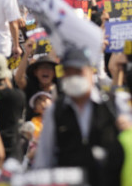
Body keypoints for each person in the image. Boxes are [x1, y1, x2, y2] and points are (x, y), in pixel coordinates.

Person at [33, 46, 119, 181]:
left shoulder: (112, 104)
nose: (73, 77)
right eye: (68, 72)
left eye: (78, 71)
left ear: (91, 72)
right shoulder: (55, 110)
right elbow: (44, 159)